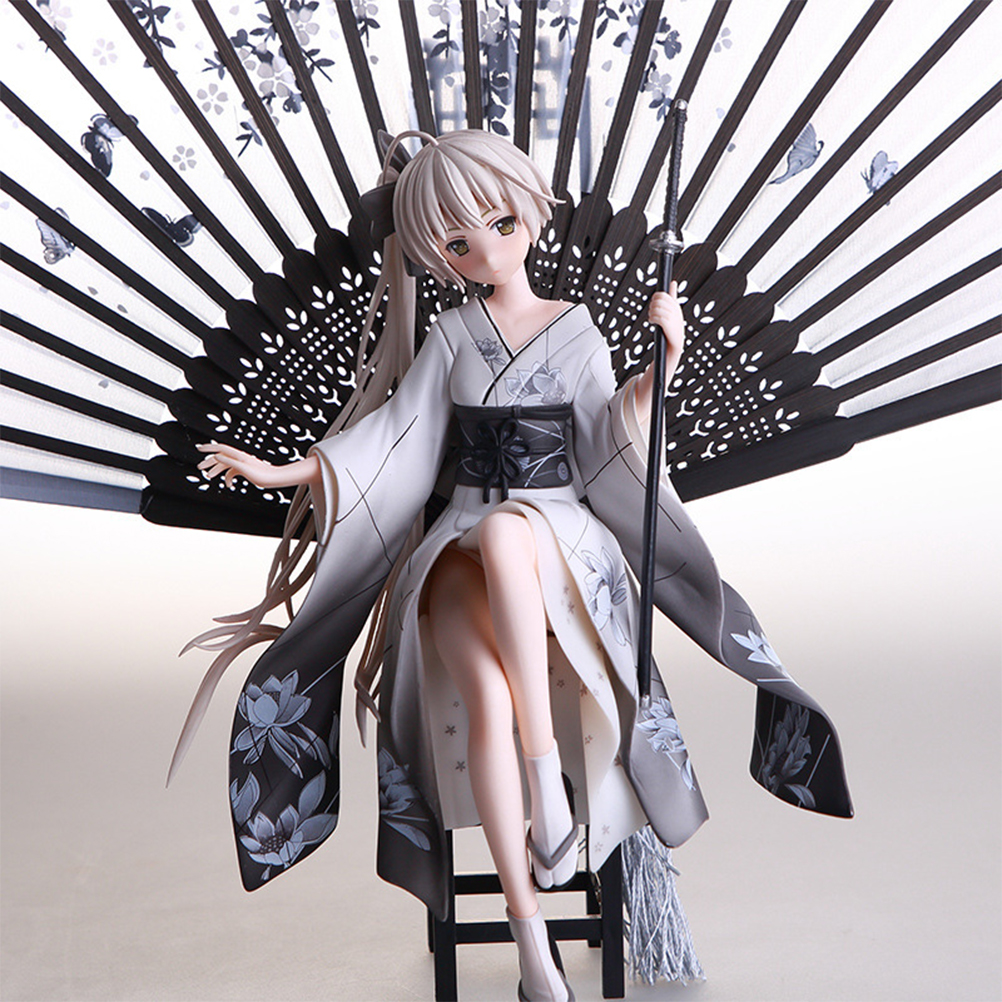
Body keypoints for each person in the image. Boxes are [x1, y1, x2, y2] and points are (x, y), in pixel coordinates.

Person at [181, 129, 852, 1002]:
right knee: (484, 684)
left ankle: (544, 773)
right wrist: (286, 472)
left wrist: (665, 360)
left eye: (501, 224)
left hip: (560, 537)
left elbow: (610, 433)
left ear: (531, 217)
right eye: (460, 243)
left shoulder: (574, 329)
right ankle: (531, 938)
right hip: (458, 541)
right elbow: (396, 439)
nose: (488, 252)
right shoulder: (452, 332)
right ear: (438, 255)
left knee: (508, 536)